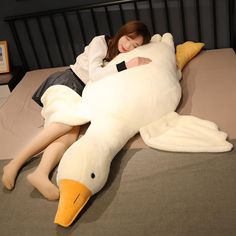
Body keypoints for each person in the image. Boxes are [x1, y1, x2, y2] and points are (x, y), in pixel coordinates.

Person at [1, 20, 152, 201]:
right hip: (67, 82)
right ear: (122, 32)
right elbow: (95, 74)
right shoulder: (101, 42)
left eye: (135, 45)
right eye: (128, 39)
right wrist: (127, 65)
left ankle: (40, 173)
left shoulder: (118, 56)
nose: (128, 46)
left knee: (71, 135)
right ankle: (14, 163)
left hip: (81, 96)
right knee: (65, 125)